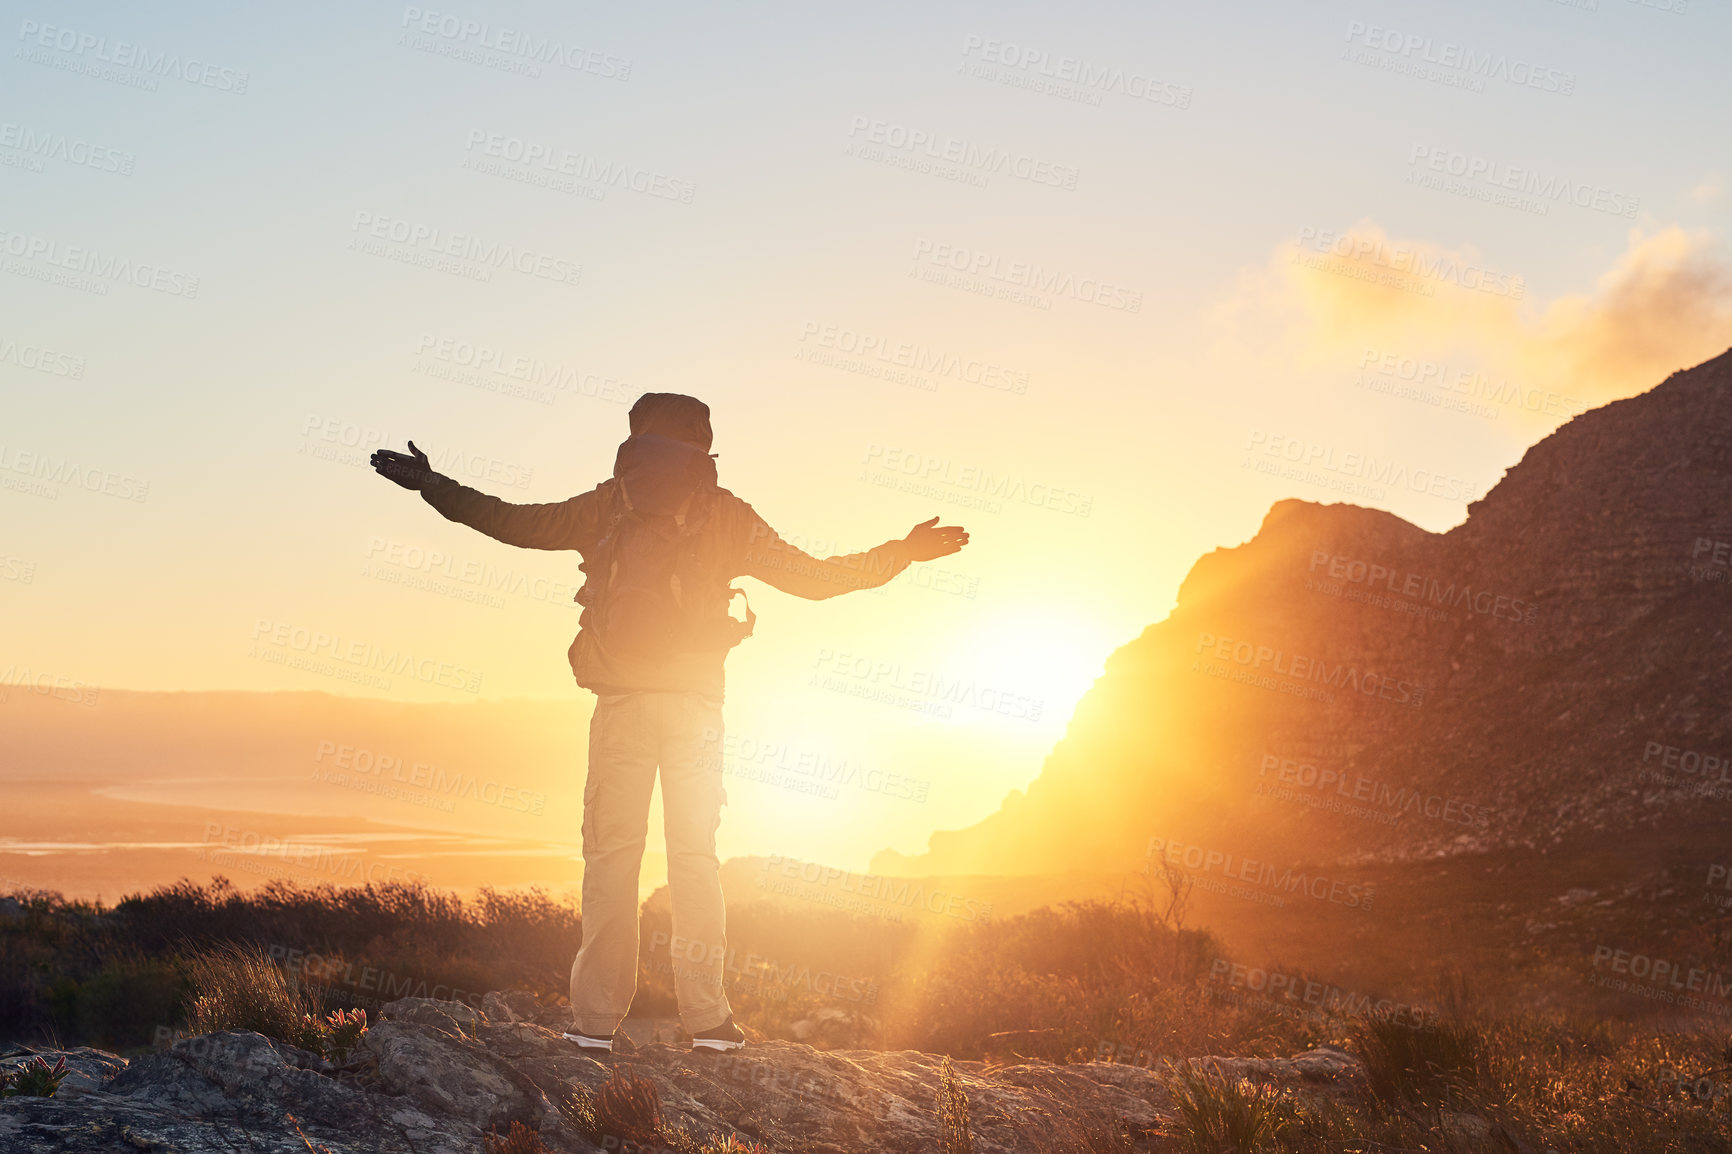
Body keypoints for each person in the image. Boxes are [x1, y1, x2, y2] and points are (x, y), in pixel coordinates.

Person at [371, 393, 968, 1053]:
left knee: (611, 859)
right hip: (695, 710)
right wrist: (903, 552)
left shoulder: (608, 502)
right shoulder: (725, 514)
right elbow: (815, 578)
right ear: (703, 444)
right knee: (694, 860)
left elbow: (514, 522)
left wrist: (431, 485)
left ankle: (595, 1024)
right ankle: (708, 1020)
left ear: (636, 437)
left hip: (622, 705)